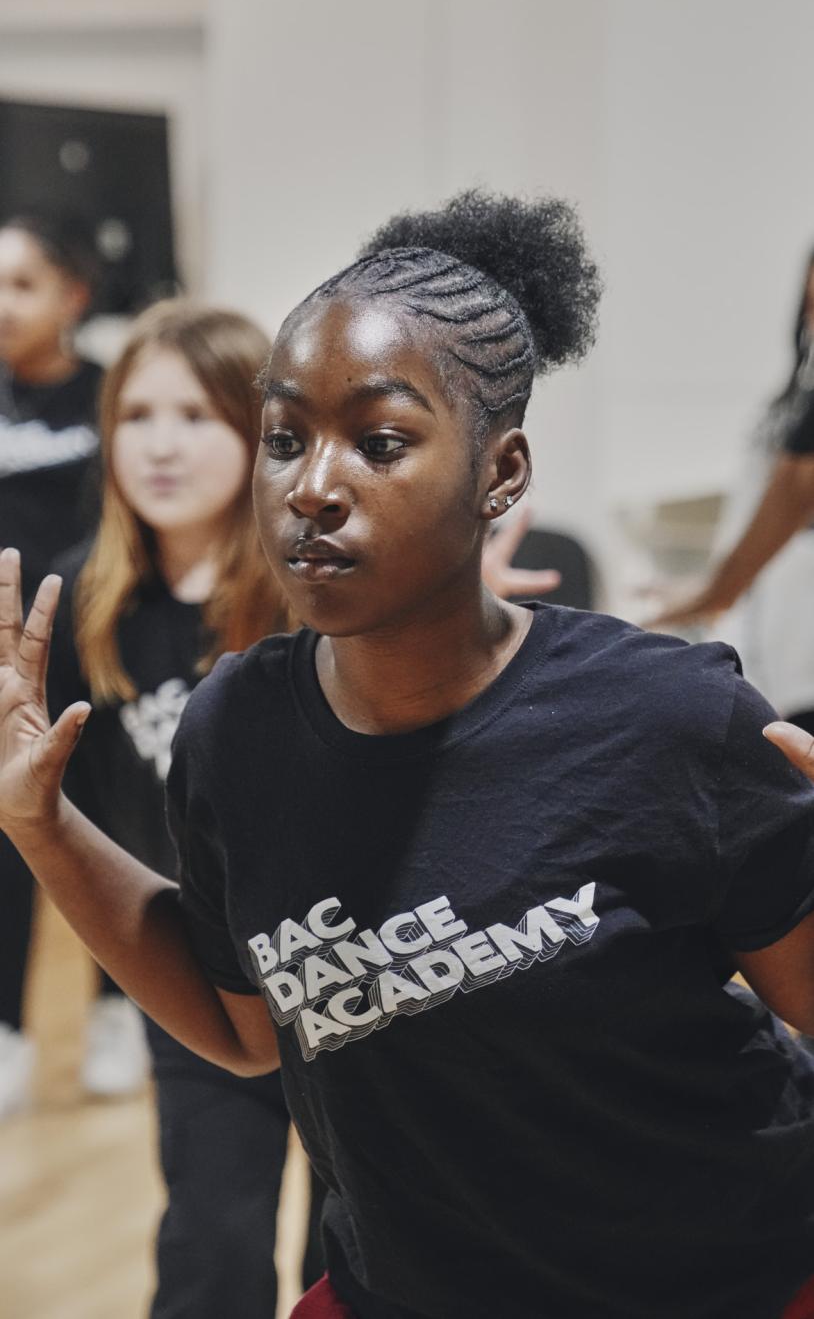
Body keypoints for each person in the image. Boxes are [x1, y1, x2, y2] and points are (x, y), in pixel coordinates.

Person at [2, 190, 814, 1319]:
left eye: (379, 442)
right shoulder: (236, 731)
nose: (312, 486)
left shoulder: (666, 718)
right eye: (284, 439)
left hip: (722, 1280)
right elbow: (244, 1028)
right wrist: (42, 824)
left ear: (502, 471)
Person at [37, 297, 328, 1317]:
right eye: (136, 415)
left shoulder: (321, 585)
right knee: (213, 1237)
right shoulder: (79, 600)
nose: (161, 446)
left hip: (351, 964)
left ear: (264, 435)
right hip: (196, 973)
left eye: (197, 417)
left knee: (356, 1247)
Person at [0, 210, 149, 1113]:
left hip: (100, 652)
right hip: (3, 670)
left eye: (21, 284)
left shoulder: (111, 398)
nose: (1, 304)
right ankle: (7, 1031)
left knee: (108, 828)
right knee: (8, 842)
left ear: (73, 297)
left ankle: (113, 1013)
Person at [652, 248, 814, 696]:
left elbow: (796, 486)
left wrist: (713, 594)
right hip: (773, 630)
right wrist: (712, 589)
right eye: (809, 303)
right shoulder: (788, 405)